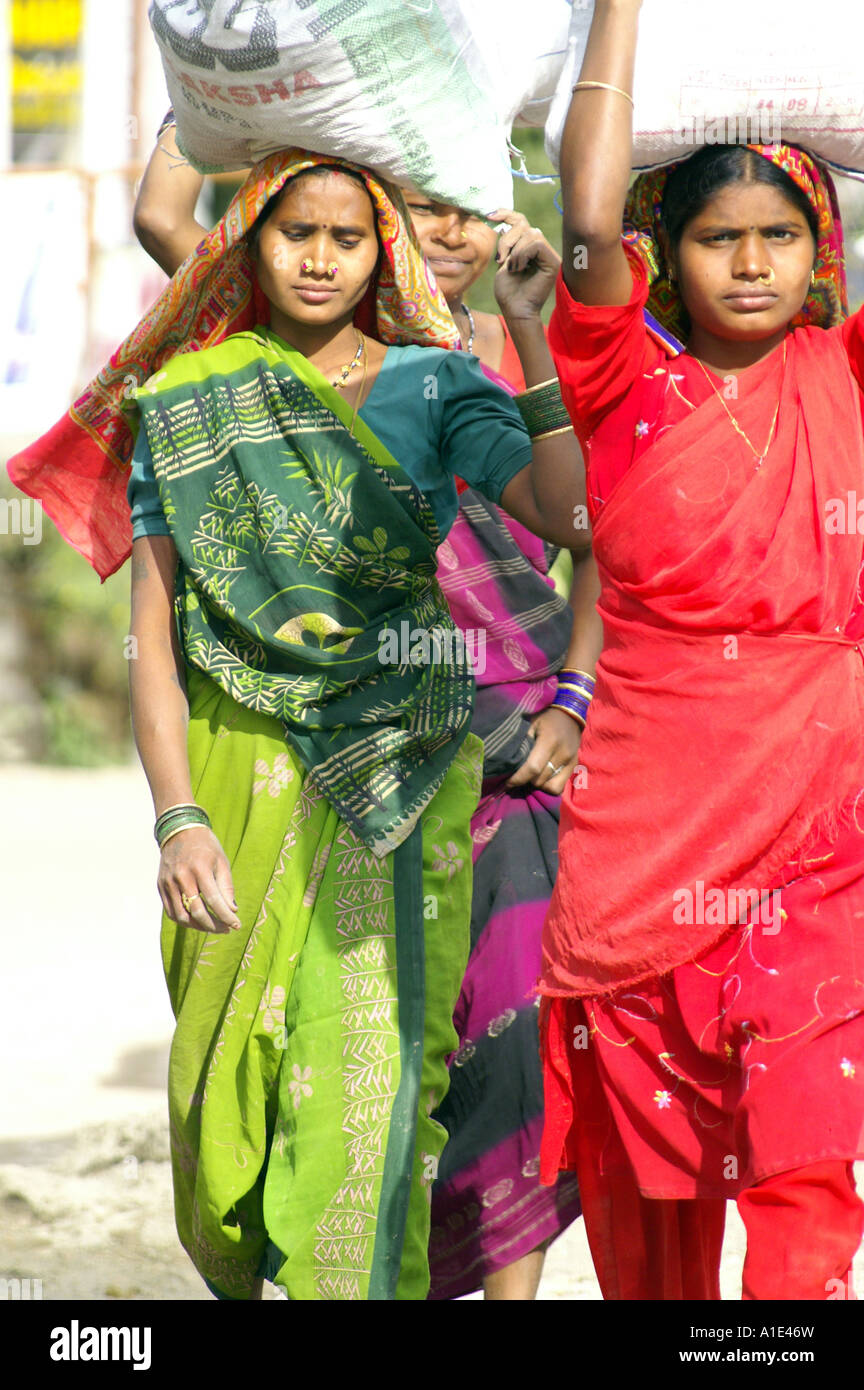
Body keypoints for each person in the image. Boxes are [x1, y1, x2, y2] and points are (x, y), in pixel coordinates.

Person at [9, 145, 589, 1301]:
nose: (320, 259)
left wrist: (528, 333)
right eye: (294, 233)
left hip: (396, 779)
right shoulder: (187, 400)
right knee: (217, 1112)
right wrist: (176, 819)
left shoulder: (437, 387)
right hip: (234, 773)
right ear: (248, 243)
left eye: (347, 236)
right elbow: (159, 635)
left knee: (361, 1112)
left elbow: (576, 514)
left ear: (383, 252)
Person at [538, 0, 864, 1301]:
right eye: (718, 237)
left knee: (806, 1142)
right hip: (645, 832)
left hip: (823, 826)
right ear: (661, 253)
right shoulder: (621, 379)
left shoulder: (847, 373)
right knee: (652, 1191)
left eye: (779, 237)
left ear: (820, 248)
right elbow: (584, 203)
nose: (749, 263)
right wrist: (621, 5)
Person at [401, 191, 593, 1300]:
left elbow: (598, 536)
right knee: (396, 1039)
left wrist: (570, 702)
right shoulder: (327, 368)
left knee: (520, 1027)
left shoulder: (541, 357)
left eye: (472, 208)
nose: (450, 231)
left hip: (535, 751)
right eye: (423, 205)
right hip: (389, 747)